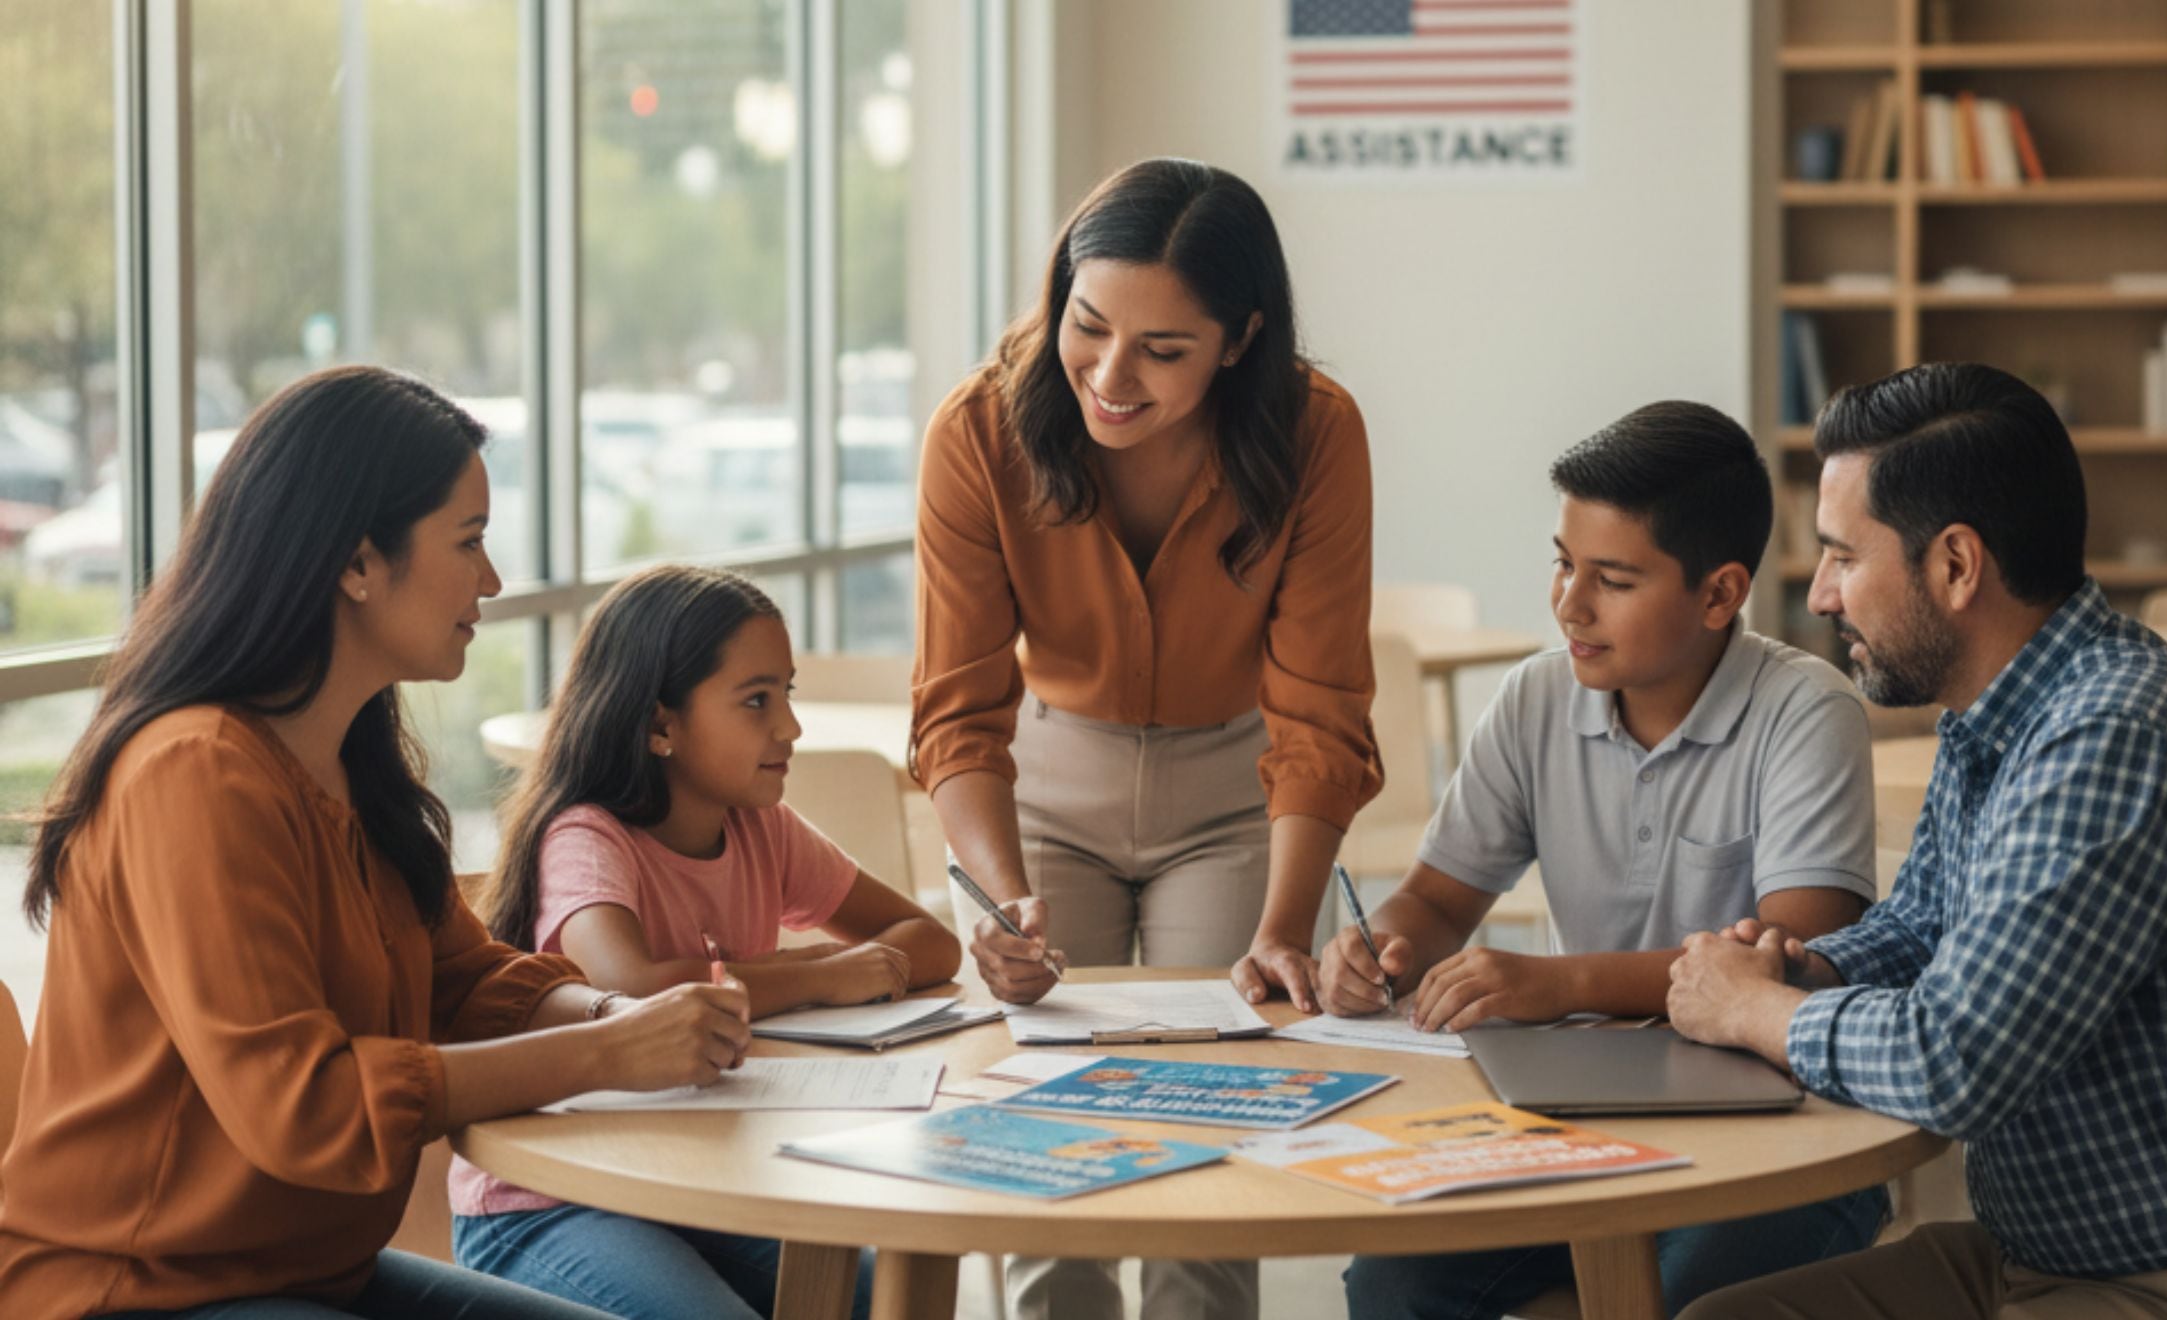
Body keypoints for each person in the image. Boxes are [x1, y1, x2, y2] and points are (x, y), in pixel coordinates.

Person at [0, 366, 754, 1320]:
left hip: (299, 1275)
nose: (492, 580)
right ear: (358, 563)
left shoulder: (350, 758)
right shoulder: (192, 772)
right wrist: (611, 1055)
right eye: (469, 542)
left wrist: (616, 1016)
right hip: (140, 1293)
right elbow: (304, 1106)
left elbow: (464, 980)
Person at [1667, 362, 2167, 1319]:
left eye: (1845, 557)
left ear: (1957, 566)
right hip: (2055, 1256)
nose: (1821, 598)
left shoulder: (2110, 734)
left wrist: (1754, 1014)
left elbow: (1951, 1060)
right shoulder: (2001, 714)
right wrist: (1800, 968)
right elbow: (1927, 925)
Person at [910, 155, 1382, 1319]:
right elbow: (960, 711)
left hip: (1234, 797)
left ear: (1240, 337)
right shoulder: (977, 430)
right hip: (1041, 793)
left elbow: (1320, 709)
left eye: (1163, 350)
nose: (1111, 378)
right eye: (1088, 327)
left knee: (1208, 1140)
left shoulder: (1315, 433)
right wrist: (999, 902)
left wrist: (1284, 927)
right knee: (1047, 1139)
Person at [1324, 401, 1887, 1317]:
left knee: (1679, 1302)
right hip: (1581, 1114)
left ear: (1719, 594)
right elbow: (1432, 901)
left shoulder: (1805, 712)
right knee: (1390, 1278)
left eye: (1613, 580)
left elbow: (1798, 957)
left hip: (1787, 1127)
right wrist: (1376, 947)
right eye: (1563, 563)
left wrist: (1560, 984)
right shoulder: (1535, 700)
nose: (1569, 604)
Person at [453, 564, 959, 1320]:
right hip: (555, 1194)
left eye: (787, 693)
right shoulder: (587, 834)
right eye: (757, 700)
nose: (789, 727)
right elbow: (626, 985)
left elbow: (931, 945)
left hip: (702, 1175)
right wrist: (816, 972)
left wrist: (834, 968)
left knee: (879, 1298)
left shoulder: (762, 826)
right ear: (661, 725)